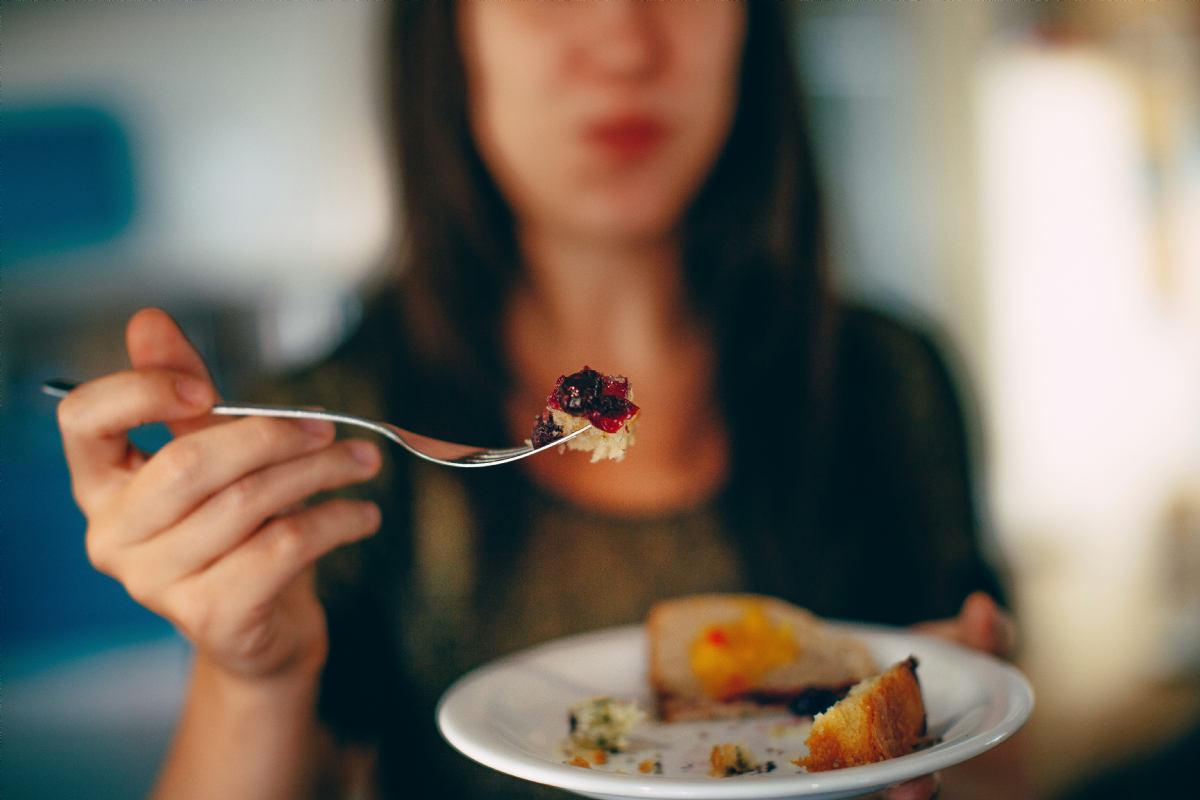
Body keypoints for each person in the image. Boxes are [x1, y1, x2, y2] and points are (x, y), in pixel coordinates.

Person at [53, 2, 1024, 798]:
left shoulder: (892, 376)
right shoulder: (316, 436)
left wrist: (942, 740)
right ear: (449, 32)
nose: (624, 37)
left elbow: (994, 764)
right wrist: (253, 673)